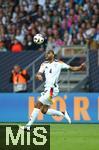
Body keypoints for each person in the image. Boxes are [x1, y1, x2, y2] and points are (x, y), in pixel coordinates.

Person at [20, 50, 85, 131]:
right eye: (46, 53)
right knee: (44, 110)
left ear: (53, 55)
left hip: (52, 89)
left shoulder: (59, 63)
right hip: (47, 89)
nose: (47, 54)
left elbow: (71, 68)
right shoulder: (44, 64)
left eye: (49, 53)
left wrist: (80, 68)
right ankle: (62, 113)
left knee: (38, 104)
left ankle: (28, 126)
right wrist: (38, 76)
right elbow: (38, 74)